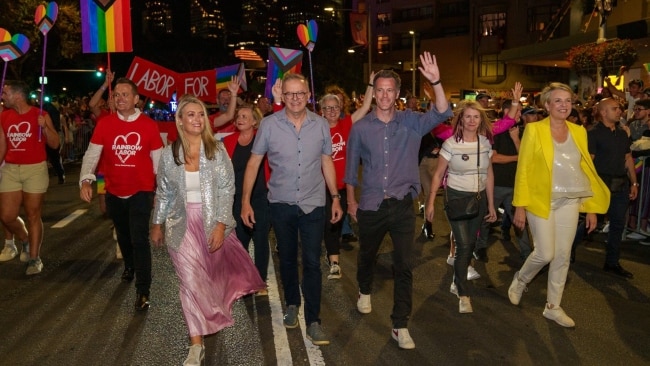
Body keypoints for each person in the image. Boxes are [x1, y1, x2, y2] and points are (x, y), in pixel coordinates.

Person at [345, 52, 453, 350]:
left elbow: (443, 112)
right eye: (379, 89)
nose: (384, 95)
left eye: (389, 90)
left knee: (404, 265)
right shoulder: (361, 127)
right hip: (370, 204)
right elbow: (351, 166)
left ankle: (400, 324)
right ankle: (364, 289)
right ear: (374, 92)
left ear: (397, 94)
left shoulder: (412, 122)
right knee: (367, 255)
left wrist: (436, 81)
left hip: (403, 204)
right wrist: (350, 201)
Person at [151, 94, 264, 366]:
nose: (197, 119)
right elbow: (163, 192)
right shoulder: (170, 154)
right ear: (179, 120)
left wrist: (221, 224)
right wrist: (157, 223)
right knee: (189, 282)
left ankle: (213, 312)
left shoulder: (217, 150)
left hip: (211, 221)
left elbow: (228, 188)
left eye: (201, 114)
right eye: (191, 114)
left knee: (210, 278)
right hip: (180, 226)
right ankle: (196, 344)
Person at [241, 72, 343, 346]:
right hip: (281, 204)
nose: (295, 98)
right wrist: (245, 201)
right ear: (282, 96)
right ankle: (291, 304)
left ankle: (313, 320)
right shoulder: (270, 126)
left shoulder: (321, 125)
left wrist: (335, 197)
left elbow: (327, 161)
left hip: (313, 204)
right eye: (290, 94)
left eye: (300, 93)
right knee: (286, 259)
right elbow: (253, 163)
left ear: (308, 95)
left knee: (311, 262)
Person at [508, 82, 610, 328]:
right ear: (547, 105)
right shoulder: (534, 130)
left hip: (571, 200)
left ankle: (553, 306)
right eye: (558, 100)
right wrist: (519, 205)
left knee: (563, 256)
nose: (564, 105)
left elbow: (584, 169)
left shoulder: (579, 131)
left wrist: (591, 207)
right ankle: (521, 279)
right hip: (541, 199)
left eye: (567, 100)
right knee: (545, 252)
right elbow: (524, 170)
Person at [79, 77, 164, 311]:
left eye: (125, 94)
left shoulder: (148, 125)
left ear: (136, 99)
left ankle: (143, 291)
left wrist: (160, 191)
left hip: (141, 191)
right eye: (116, 95)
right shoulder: (105, 124)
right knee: (123, 235)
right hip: (114, 190)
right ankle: (129, 265)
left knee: (139, 238)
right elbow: (92, 155)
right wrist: (86, 179)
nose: (120, 98)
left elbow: (159, 161)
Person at [426, 100, 497, 313]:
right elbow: (438, 174)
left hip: (479, 199)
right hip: (456, 199)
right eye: (468, 116)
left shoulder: (485, 143)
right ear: (461, 120)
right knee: (464, 245)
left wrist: (491, 204)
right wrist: (430, 203)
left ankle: (457, 281)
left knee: (470, 243)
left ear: (481, 120)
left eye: (476, 117)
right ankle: (463, 292)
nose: (472, 120)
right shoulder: (450, 144)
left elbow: (489, 174)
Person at [317, 75, 374, 281]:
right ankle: (329, 258)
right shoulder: (315, 129)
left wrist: (370, 84)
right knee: (326, 223)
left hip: (343, 186)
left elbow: (366, 105)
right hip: (321, 187)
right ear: (321, 111)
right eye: (327, 108)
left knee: (336, 223)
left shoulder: (347, 124)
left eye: (335, 107)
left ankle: (332, 257)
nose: (332, 111)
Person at [0, 80, 58, 275]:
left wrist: (45, 128)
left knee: (33, 215)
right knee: (6, 215)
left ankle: (34, 258)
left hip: (35, 169)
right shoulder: (4, 116)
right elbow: (2, 146)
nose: (2, 96)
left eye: (5, 93)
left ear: (17, 95)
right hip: (11, 169)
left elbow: (55, 144)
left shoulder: (40, 114)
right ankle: (24, 239)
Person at [585, 98, 638, 278]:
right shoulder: (592, 133)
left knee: (617, 224)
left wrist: (634, 182)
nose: (620, 111)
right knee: (592, 222)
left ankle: (612, 262)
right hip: (601, 184)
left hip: (621, 184)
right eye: (615, 108)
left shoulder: (623, 133)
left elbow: (628, 158)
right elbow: (589, 162)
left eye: (620, 108)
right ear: (603, 112)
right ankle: (568, 250)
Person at [222, 103, 271, 294]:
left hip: (260, 196)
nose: (240, 119)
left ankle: (260, 281)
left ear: (254, 121)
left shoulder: (262, 138)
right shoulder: (228, 141)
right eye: (238, 116)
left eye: (245, 116)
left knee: (260, 239)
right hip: (237, 198)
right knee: (240, 240)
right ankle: (242, 280)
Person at [474, 82, 524, 262]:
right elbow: (493, 158)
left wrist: (517, 139)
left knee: (520, 221)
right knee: (487, 219)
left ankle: (528, 255)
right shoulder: (493, 131)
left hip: (516, 184)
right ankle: (479, 248)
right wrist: (517, 158)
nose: (520, 115)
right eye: (517, 111)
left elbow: (527, 158)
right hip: (495, 184)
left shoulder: (522, 131)